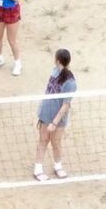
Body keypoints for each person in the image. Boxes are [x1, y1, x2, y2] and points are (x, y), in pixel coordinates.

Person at [32, 48, 75, 181]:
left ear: (57, 60)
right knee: (43, 140)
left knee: (56, 142)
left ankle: (58, 166)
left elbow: (66, 105)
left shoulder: (70, 83)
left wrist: (54, 123)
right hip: (46, 113)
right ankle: (38, 169)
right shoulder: (54, 71)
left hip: (58, 118)